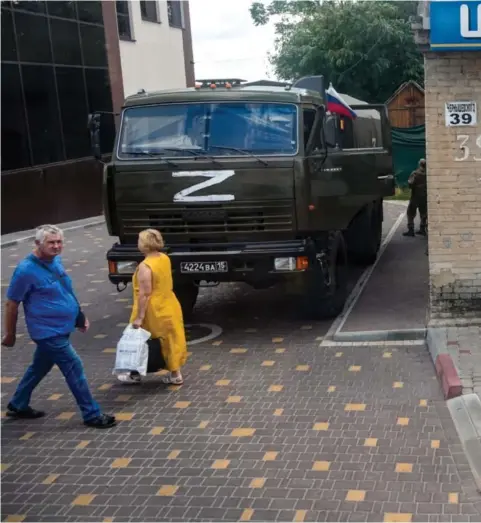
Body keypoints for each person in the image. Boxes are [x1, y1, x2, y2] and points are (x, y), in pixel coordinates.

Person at [2, 225, 116, 429]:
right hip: (47, 332)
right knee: (74, 367)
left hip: (62, 327)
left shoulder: (55, 260)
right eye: (51, 243)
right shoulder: (25, 270)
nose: (56, 246)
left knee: (39, 367)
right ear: (38, 244)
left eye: (59, 242)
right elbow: (11, 303)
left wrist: (79, 315)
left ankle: (18, 404)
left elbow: (66, 289)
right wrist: (10, 334)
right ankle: (91, 414)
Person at [118, 229, 187, 384]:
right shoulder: (164, 258)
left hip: (153, 309)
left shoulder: (145, 266)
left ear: (143, 244)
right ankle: (175, 374)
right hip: (169, 303)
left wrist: (139, 317)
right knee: (169, 340)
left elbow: (145, 294)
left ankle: (134, 373)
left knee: (139, 339)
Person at [403, 158, 428, 237]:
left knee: (410, 213)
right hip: (424, 196)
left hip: (415, 196)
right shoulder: (428, 173)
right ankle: (422, 228)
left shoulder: (415, 173)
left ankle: (411, 229)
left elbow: (410, 183)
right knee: (423, 213)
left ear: (419, 164)